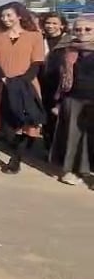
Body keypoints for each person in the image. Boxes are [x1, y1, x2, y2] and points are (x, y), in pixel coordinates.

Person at [0, 2, 46, 174]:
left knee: (23, 124)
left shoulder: (35, 36)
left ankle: (16, 159)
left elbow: (37, 62)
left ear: (19, 16)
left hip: (26, 85)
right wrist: (4, 78)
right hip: (0, 84)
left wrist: (21, 82)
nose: (5, 19)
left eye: (9, 15)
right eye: (2, 15)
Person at [50, 15, 94, 186]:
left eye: (88, 29)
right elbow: (62, 78)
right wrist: (59, 102)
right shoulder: (69, 50)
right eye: (78, 29)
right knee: (72, 137)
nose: (82, 32)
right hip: (73, 98)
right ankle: (71, 170)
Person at [39, 12, 72, 149]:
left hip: (61, 86)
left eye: (54, 23)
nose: (50, 26)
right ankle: (49, 148)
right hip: (42, 84)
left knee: (62, 118)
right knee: (46, 118)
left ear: (62, 25)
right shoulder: (40, 40)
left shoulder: (69, 42)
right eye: (48, 23)